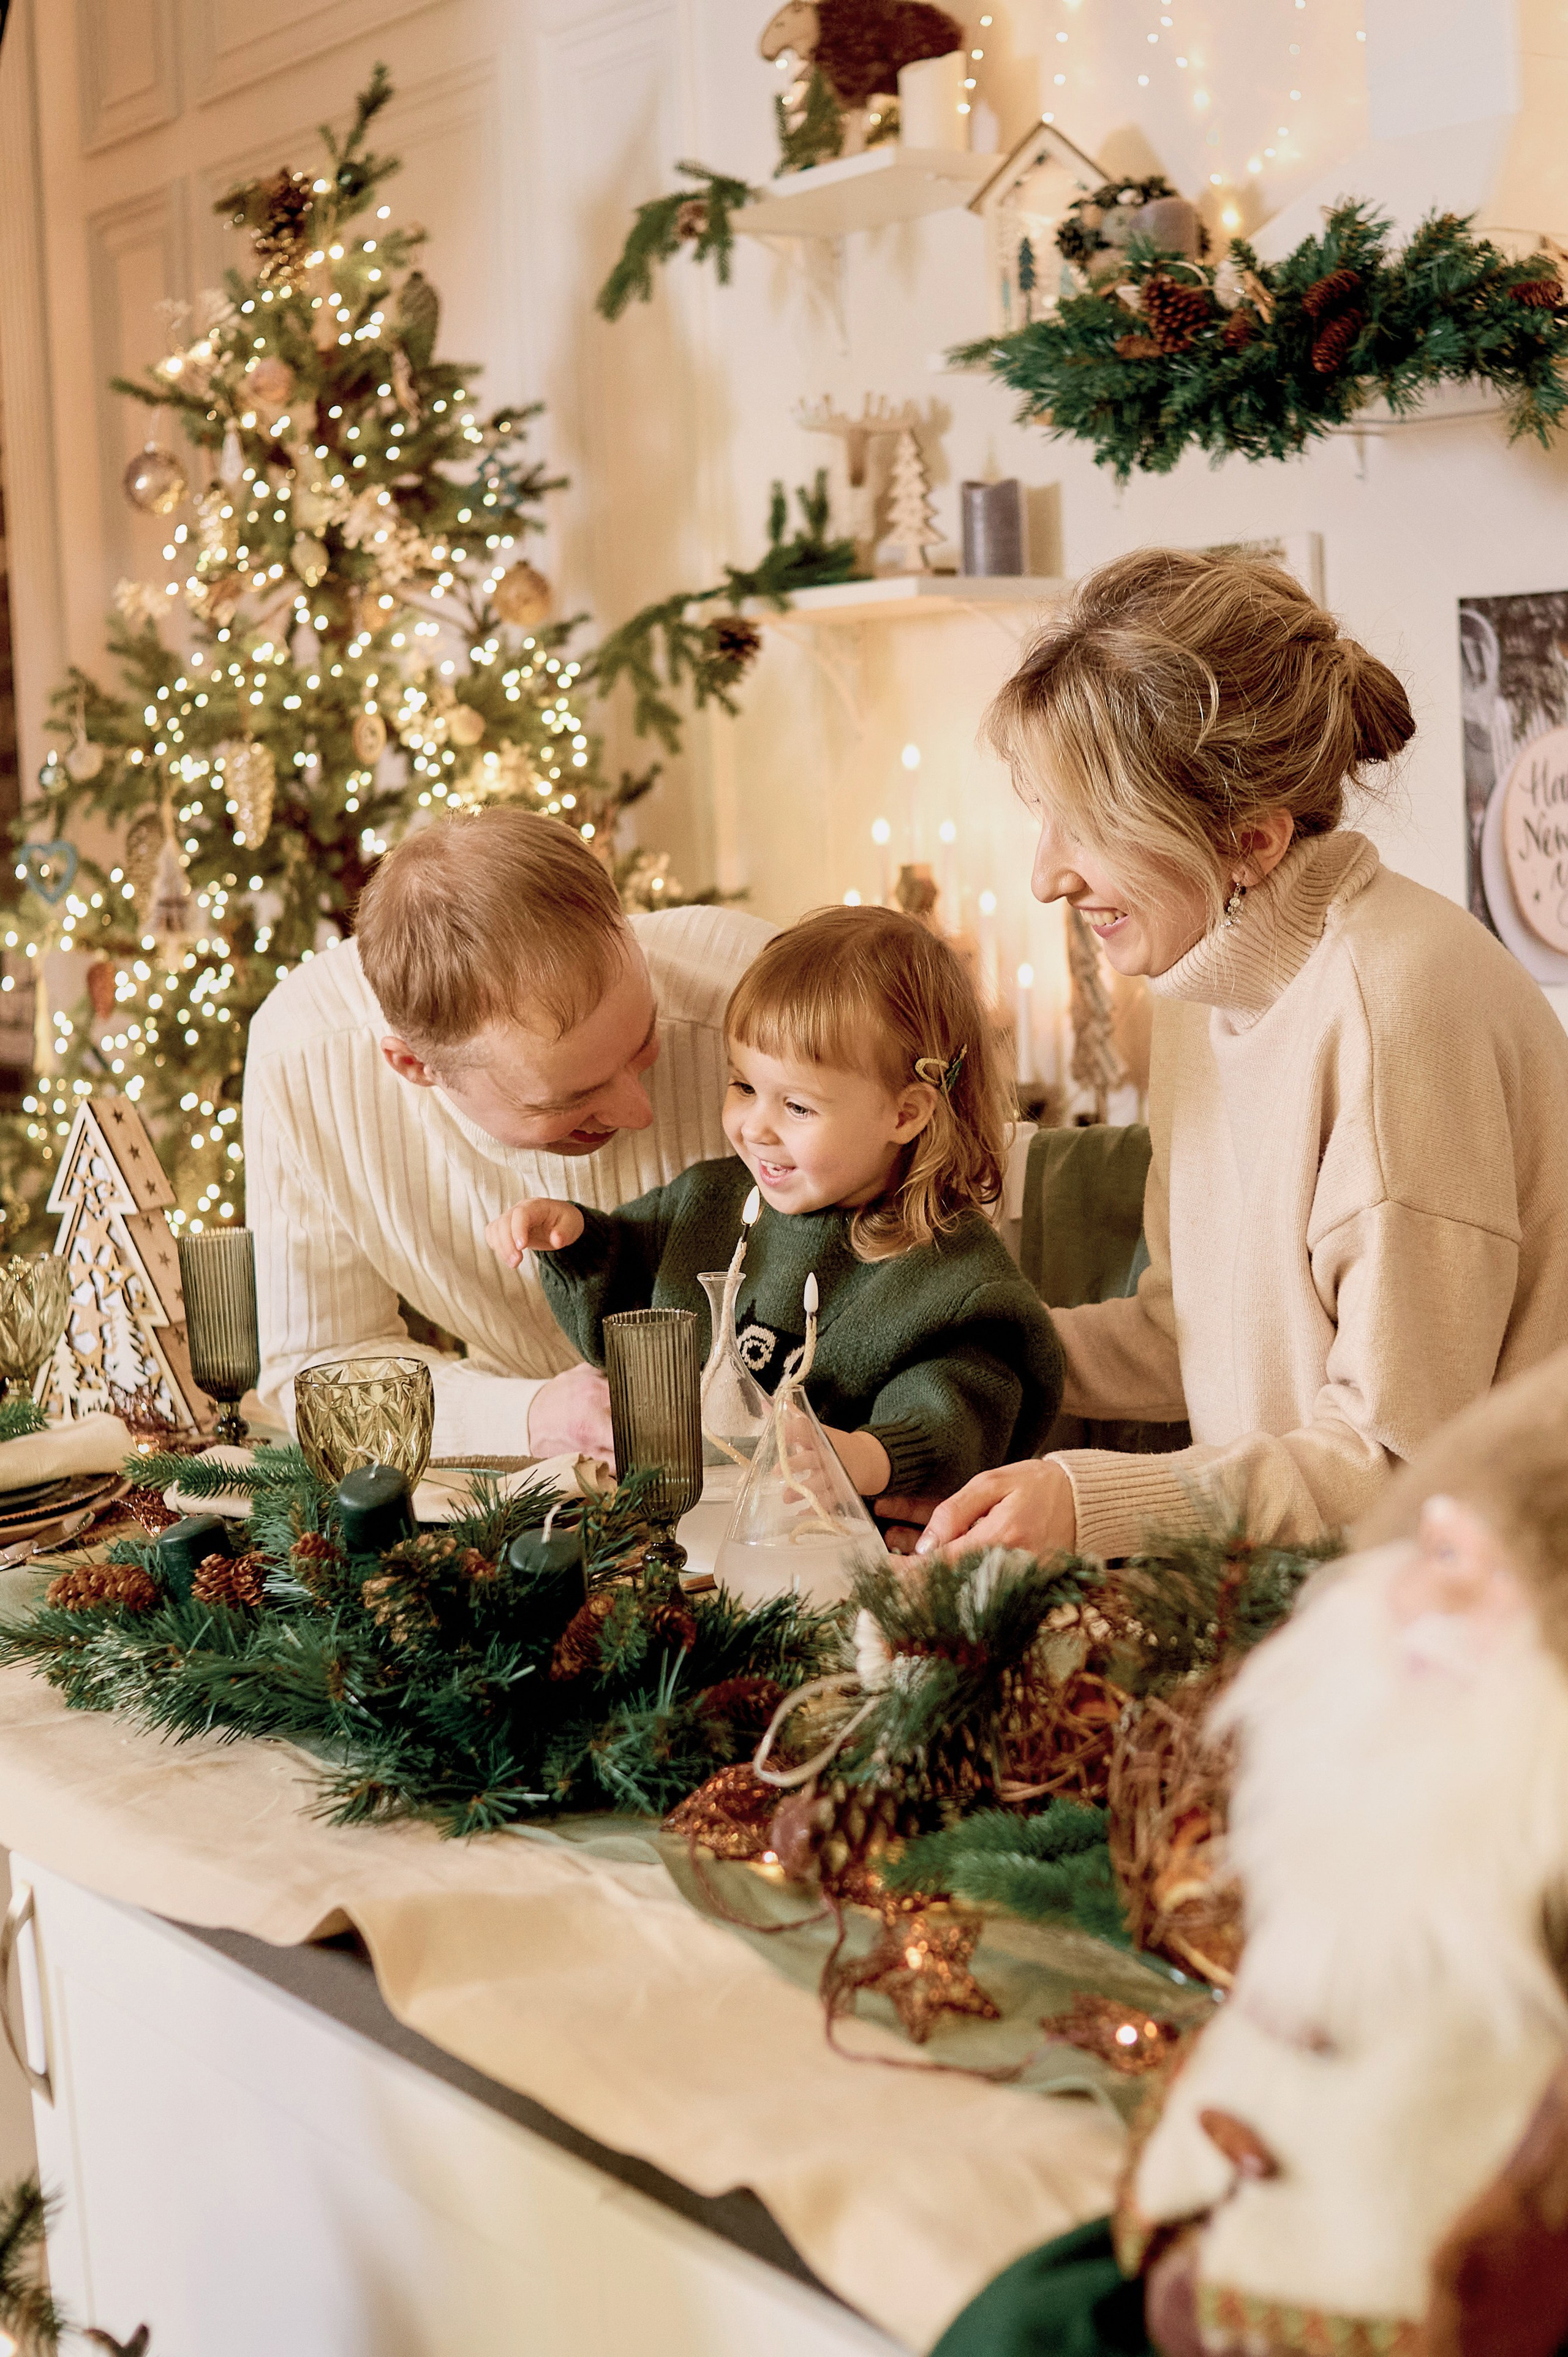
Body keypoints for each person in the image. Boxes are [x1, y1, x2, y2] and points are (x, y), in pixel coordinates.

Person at [919, 548, 1568, 1561]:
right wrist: (956, 1352)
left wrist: (1085, 1503)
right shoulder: (1200, 986)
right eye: (1046, 815)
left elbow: (1398, 1464)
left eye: (1090, 826)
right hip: (1299, 1590)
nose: (1047, 875)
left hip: (1496, 1610)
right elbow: (1190, 1335)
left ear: (1250, 842)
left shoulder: (1398, 1009)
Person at [243, 807, 772, 1459]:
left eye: (643, 1042)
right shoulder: (299, 1062)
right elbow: (318, 1368)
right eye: (571, 1099)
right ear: (415, 1066)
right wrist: (524, 1415)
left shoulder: (754, 983)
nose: (638, 1112)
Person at [487, 906, 1064, 1498]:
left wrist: (866, 1457)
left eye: (797, 1106)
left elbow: (967, 1404)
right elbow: (620, 1327)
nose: (755, 1128)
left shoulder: (949, 1271)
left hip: (824, 1535)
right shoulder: (705, 1202)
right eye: (744, 1086)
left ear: (904, 1114)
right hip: (682, 1520)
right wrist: (577, 1244)